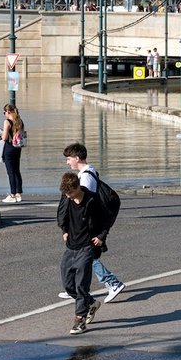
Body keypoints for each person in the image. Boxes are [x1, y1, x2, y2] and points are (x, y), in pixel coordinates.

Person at [60, 142, 126, 303]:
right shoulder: (89, 172)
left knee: (86, 256)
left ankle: (112, 282)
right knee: (83, 257)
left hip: (88, 227)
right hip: (87, 226)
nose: (68, 162)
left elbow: (86, 205)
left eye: (69, 159)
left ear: (77, 158)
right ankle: (77, 286)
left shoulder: (85, 178)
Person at [57, 170, 112, 335]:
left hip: (87, 247)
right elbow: (61, 216)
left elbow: (107, 218)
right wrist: (65, 230)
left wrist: (101, 236)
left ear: (78, 187)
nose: (68, 196)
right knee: (68, 285)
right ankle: (91, 303)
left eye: (70, 192)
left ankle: (79, 320)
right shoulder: (67, 199)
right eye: (66, 193)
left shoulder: (93, 200)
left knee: (81, 284)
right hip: (70, 247)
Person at [0, 104, 26, 203]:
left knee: (10, 172)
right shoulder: (19, 121)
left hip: (9, 148)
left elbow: (5, 138)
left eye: (4, 112)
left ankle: (12, 194)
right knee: (16, 170)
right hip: (17, 148)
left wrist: (0, 134)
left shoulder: (7, 122)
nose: (4, 114)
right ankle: (19, 193)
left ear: (8, 112)